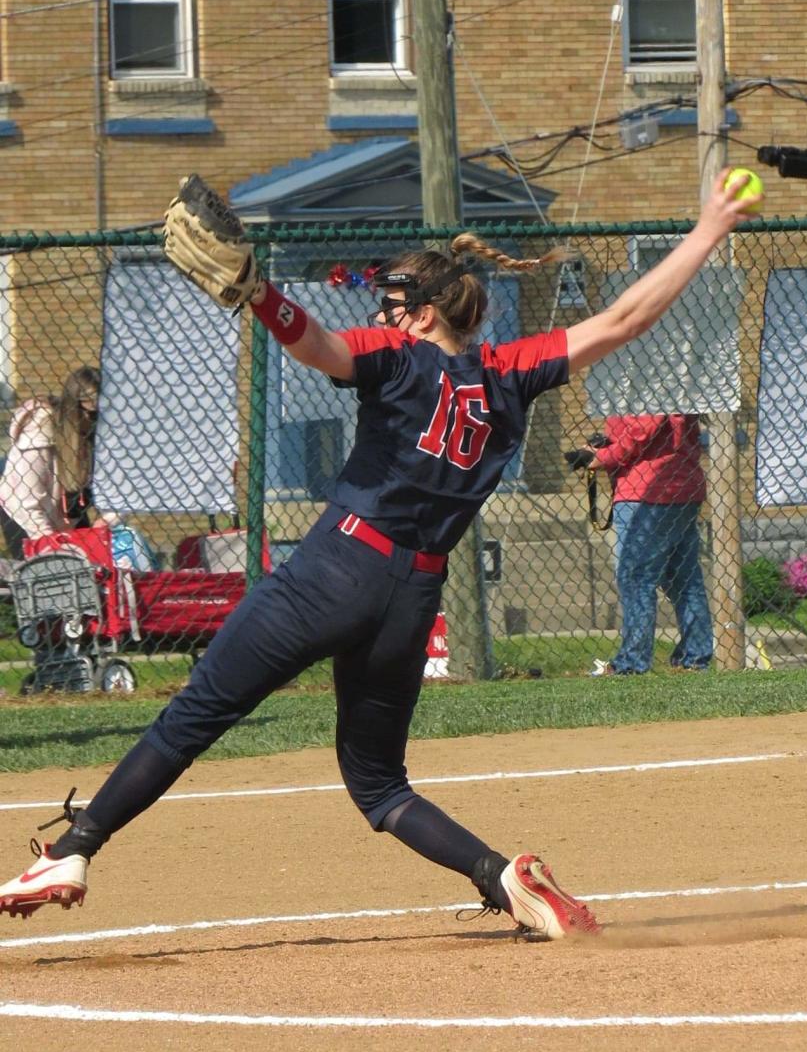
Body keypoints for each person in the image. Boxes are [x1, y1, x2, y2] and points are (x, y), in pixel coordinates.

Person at [0, 170, 759, 938]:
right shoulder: (508, 375)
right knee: (378, 784)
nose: (382, 315)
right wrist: (706, 231)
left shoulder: (399, 360)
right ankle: (504, 879)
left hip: (333, 571)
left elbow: (317, 346)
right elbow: (627, 318)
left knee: (193, 717)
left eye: (394, 305)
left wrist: (262, 293)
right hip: (411, 596)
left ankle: (74, 848)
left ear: (425, 313)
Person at [568, 412, 713, 674]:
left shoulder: (645, 380)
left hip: (646, 491)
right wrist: (605, 447)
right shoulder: (680, 379)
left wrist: (602, 457)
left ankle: (632, 664)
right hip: (684, 485)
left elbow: (642, 431)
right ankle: (695, 658)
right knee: (683, 579)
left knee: (635, 578)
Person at [0, 366, 102, 558]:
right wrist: (53, 547)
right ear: (74, 408)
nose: (97, 423)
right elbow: (27, 503)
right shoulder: (38, 435)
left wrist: (106, 521)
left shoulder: (91, 436)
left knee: (90, 575)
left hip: (66, 514)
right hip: (26, 515)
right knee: (46, 577)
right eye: (93, 415)